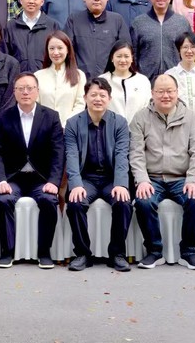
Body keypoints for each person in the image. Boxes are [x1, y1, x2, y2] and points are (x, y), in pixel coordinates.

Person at [129, 74, 195, 270]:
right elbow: (136, 153)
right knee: (143, 201)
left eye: (170, 91)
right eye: (161, 91)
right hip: (153, 178)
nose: (166, 95)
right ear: (152, 93)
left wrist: (193, 179)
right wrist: (142, 180)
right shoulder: (140, 117)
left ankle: (188, 251)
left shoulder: (190, 117)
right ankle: (154, 251)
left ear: (177, 92)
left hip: (181, 178)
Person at [0, 72, 65, 269]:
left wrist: (53, 182)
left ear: (37, 91)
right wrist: (0, 180)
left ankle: (44, 251)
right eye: (21, 88)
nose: (25, 92)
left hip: (40, 178)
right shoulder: (3, 117)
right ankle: (7, 251)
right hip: (13, 178)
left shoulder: (51, 116)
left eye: (30, 88)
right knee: (3, 200)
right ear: (14, 92)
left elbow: (58, 153)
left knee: (49, 200)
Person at [64, 77, 132, 272]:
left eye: (102, 95)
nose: (98, 99)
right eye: (93, 95)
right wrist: (76, 184)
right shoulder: (73, 123)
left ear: (109, 98)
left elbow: (122, 155)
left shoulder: (119, 122)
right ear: (85, 97)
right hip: (87, 179)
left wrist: (121, 184)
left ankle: (117, 254)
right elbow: (71, 156)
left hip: (111, 178)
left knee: (123, 202)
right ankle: (82, 253)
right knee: (75, 203)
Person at [65, 0, 130, 79]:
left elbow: (125, 50)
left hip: (111, 80)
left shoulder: (117, 20)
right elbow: (67, 50)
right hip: (80, 80)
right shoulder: (74, 20)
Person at [130, 0, 191, 82]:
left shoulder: (182, 23)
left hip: (176, 82)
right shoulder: (138, 23)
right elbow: (133, 55)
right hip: (146, 82)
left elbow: (188, 53)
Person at [34, 31, 87, 127]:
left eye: (60, 48)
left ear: (68, 49)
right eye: (51, 48)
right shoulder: (38, 76)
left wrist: (65, 125)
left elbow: (80, 105)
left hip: (70, 129)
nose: (55, 52)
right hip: (44, 129)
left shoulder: (79, 75)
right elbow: (35, 105)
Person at [4, 0, 60, 73]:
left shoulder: (52, 25)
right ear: (21, 0)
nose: (31, 1)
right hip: (18, 78)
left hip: (45, 78)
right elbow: (5, 56)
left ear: (42, 1)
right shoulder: (11, 26)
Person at [99, 41, 152, 122]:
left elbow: (148, 107)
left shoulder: (142, 81)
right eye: (119, 56)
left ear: (132, 58)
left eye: (126, 56)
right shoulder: (102, 80)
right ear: (112, 58)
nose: (123, 60)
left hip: (138, 128)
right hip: (110, 127)